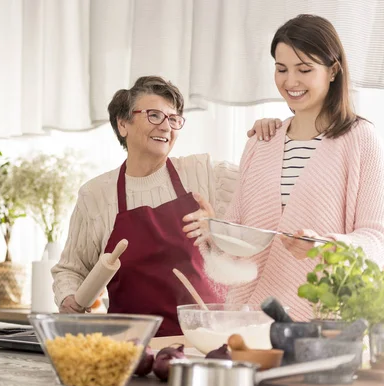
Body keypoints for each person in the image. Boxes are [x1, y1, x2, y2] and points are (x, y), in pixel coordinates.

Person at [183, 14, 384, 321]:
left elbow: (376, 239)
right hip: (250, 319)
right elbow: (239, 244)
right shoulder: (261, 141)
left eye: (304, 69)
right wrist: (215, 228)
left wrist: (326, 247)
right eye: (281, 69)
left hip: (322, 322)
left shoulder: (360, 139)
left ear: (333, 71)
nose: (291, 81)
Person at [51, 76, 279, 336]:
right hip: (130, 347)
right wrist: (69, 297)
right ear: (123, 124)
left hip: (202, 341)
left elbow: (268, 195)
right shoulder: (96, 194)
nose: (166, 127)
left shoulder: (206, 173)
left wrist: (271, 137)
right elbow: (72, 269)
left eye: (173, 119)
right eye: (154, 115)